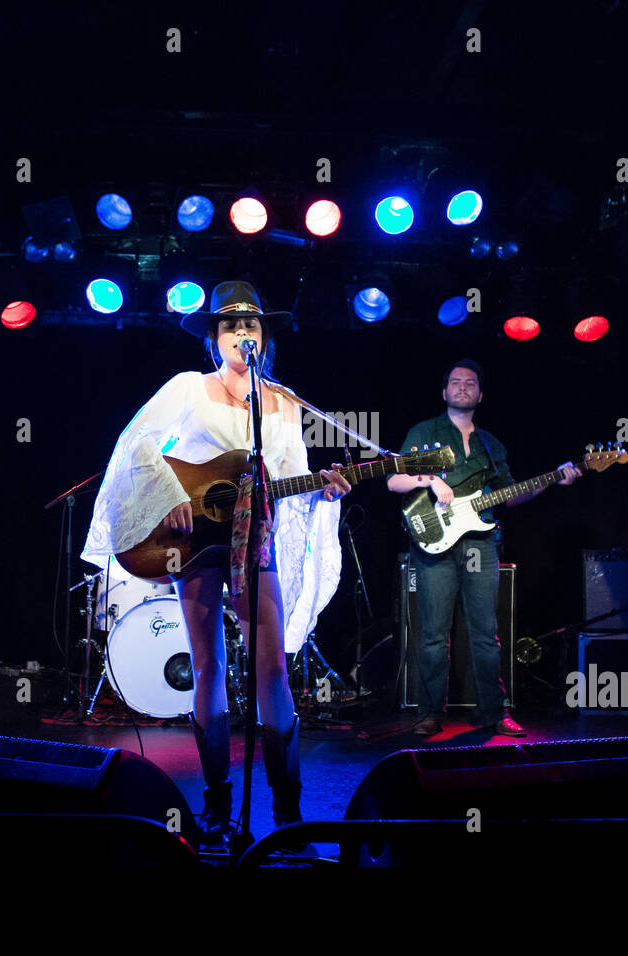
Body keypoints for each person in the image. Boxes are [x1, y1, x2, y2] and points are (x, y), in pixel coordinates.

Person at [82, 280, 349, 842]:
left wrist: (322, 489)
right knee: (208, 665)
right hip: (198, 542)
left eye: (251, 325)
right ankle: (218, 805)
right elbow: (136, 444)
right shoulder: (189, 388)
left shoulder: (282, 402)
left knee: (271, 666)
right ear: (214, 340)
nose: (241, 333)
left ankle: (287, 809)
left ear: (264, 337)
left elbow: (287, 479)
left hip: (258, 540)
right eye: (230, 326)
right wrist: (172, 496)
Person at [387, 359, 579, 737]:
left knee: (485, 633)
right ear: (443, 392)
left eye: (470, 383)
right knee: (433, 634)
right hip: (434, 540)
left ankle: (494, 712)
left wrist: (553, 480)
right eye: (455, 382)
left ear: (480, 394)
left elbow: (511, 496)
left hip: (481, 542)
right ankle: (429, 713)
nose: (462, 388)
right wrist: (429, 480)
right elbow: (394, 480)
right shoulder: (424, 432)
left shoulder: (492, 445)